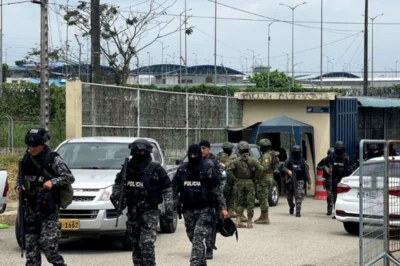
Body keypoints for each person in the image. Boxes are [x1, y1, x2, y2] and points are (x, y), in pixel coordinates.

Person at [15, 128, 75, 266]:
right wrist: (18, 187)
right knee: (31, 250)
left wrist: (52, 182)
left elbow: (69, 177)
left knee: (49, 247)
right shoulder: (26, 158)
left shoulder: (53, 158)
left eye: (35, 146)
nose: (32, 149)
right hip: (30, 208)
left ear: (43, 144)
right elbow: (20, 178)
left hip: (47, 208)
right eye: (30, 146)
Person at [110, 139, 174, 266]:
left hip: (149, 211)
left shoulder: (156, 169)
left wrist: (169, 210)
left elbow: (167, 189)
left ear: (147, 152)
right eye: (136, 151)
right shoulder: (128, 168)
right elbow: (118, 184)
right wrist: (117, 197)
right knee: (135, 244)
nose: (139, 153)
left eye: (141, 151)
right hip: (133, 212)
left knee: (146, 243)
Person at [172, 144, 228, 266]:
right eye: (190, 155)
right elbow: (174, 188)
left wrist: (223, 208)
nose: (193, 157)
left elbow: (218, 189)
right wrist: (173, 204)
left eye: (195, 155)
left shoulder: (207, 169)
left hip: (205, 210)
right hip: (188, 210)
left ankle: (195, 263)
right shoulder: (182, 169)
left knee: (198, 239)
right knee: (192, 238)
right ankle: (202, 263)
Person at [226, 141, 263, 229]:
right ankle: (249, 222)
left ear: (239, 150)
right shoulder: (252, 159)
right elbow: (261, 169)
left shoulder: (236, 160)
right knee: (250, 202)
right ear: (248, 150)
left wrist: (235, 179)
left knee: (239, 202)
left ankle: (238, 221)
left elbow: (228, 170)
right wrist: (256, 178)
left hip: (239, 183)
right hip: (250, 182)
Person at [198, 140, 223, 259]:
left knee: (212, 224)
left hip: (212, 197)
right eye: (200, 148)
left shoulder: (215, 161)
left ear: (209, 149)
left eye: (204, 148)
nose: (202, 150)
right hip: (198, 197)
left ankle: (209, 247)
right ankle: (198, 247)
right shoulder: (196, 160)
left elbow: (222, 179)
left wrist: (219, 195)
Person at [281, 145, 311, 217]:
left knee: (299, 196)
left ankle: (298, 211)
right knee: (289, 197)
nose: (296, 154)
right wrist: (288, 171)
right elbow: (283, 167)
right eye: (295, 152)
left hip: (299, 180)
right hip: (290, 181)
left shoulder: (303, 161)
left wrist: (309, 182)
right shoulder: (289, 160)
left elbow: (306, 172)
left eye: (298, 152)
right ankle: (291, 206)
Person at [255, 138, 280, 225]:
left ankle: (265, 218)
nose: (260, 148)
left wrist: (256, 168)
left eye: (261, 147)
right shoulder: (270, 154)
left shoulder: (266, 156)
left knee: (263, 198)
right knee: (263, 197)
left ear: (265, 147)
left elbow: (264, 168)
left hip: (264, 178)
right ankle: (263, 216)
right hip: (269, 177)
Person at [329, 141, 352, 219]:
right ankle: (336, 212)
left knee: (343, 197)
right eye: (337, 148)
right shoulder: (332, 156)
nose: (339, 149)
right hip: (334, 180)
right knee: (334, 197)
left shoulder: (346, 157)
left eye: (340, 148)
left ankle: (343, 212)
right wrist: (326, 168)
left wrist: (343, 170)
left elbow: (350, 170)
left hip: (343, 180)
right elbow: (325, 164)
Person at [218, 142, 237, 218]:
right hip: (225, 179)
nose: (232, 150)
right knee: (225, 195)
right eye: (230, 149)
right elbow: (225, 166)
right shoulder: (223, 156)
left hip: (231, 179)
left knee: (231, 195)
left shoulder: (230, 156)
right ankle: (223, 211)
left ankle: (230, 211)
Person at [317, 147, 335, 216]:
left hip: (336, 181)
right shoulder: (325, 160)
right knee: (329, 196)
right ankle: (329, 210)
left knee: (335, 196)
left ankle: (336, 211)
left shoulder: (337, 160)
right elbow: (318, 166)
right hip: (328, 181)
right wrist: (324, 168)